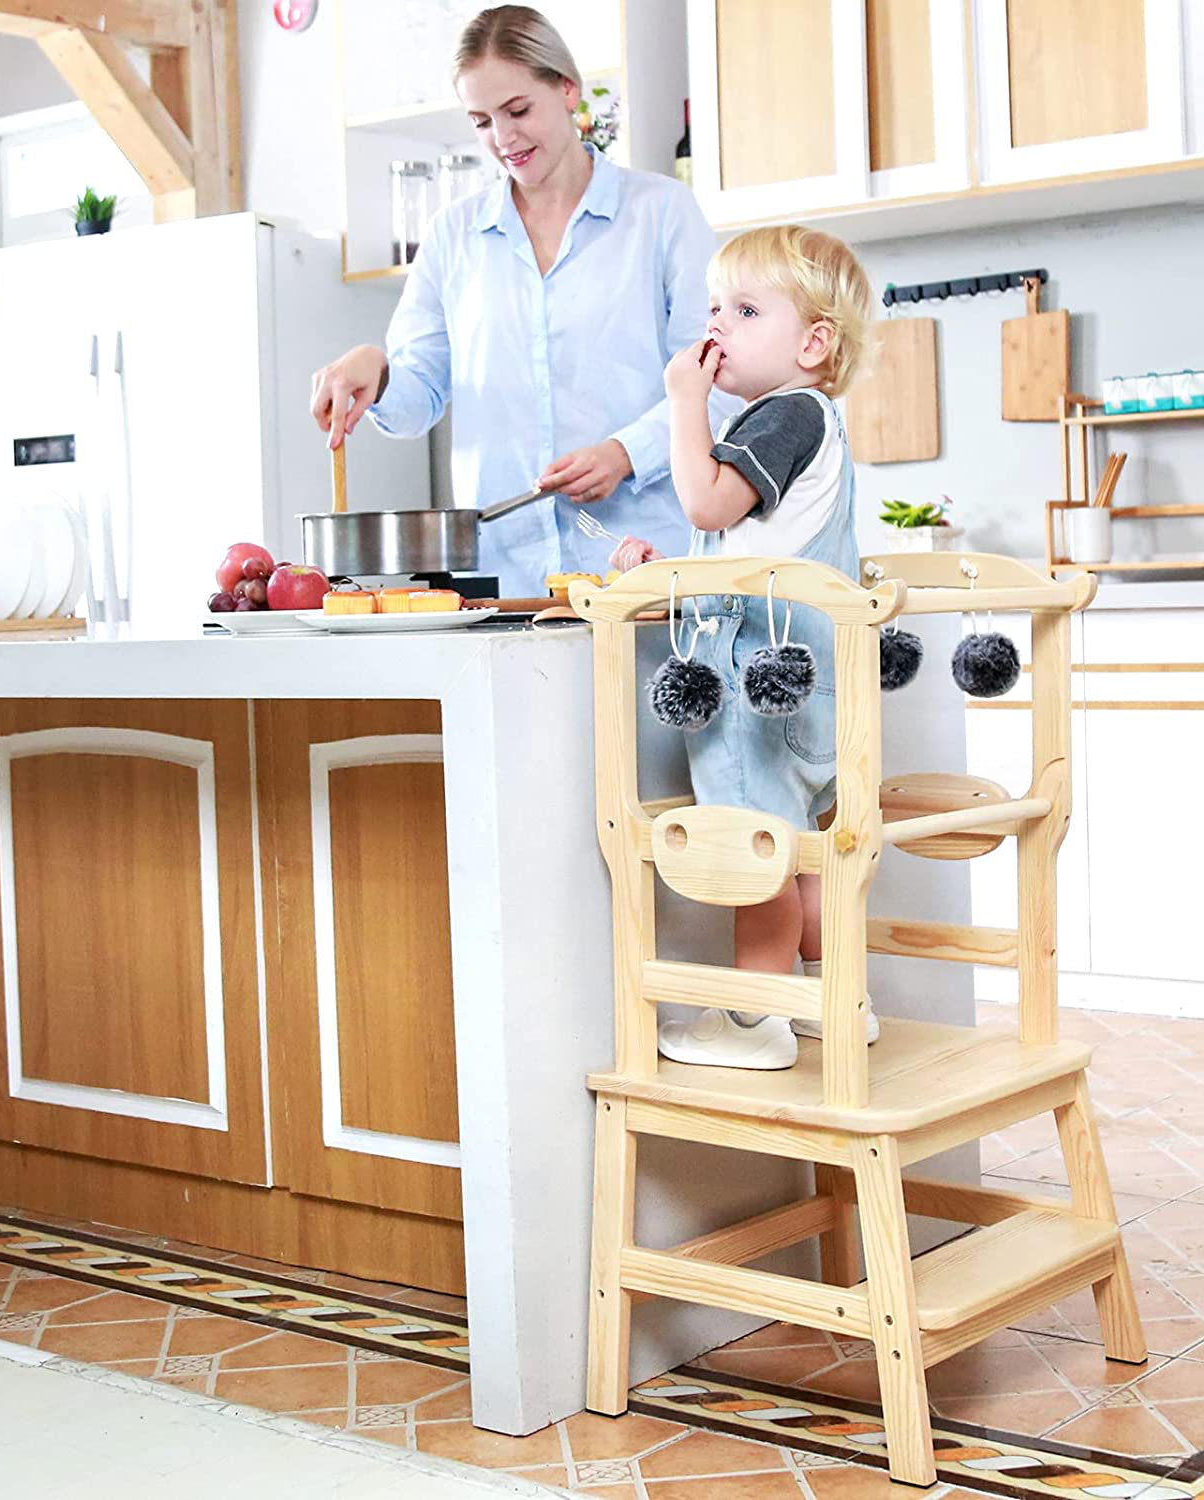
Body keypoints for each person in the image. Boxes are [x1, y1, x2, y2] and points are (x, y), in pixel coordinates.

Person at [308, 5, 726, 597]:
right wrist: (372, 372)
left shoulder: (661, 213)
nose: (502, 139)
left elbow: (717, 382)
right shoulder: (454, 235)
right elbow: (415, 402)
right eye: (481, 121)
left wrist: (625, 453)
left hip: (645, 572)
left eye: (518, 110)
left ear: (568, 90)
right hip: (502, 580)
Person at [646, 224, 877, 1070]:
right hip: (807, 685)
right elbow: (738, 545)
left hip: (755, 684)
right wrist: (660, 564)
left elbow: (707, 506)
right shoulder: (812, 422)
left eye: (745, 310)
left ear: (814, 342)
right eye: (715, 308)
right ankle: (828, 998)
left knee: (758, 848)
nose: (718, 330)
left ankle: (755, 1021)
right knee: (805, 851)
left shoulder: (782, 415)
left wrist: (683, 403)